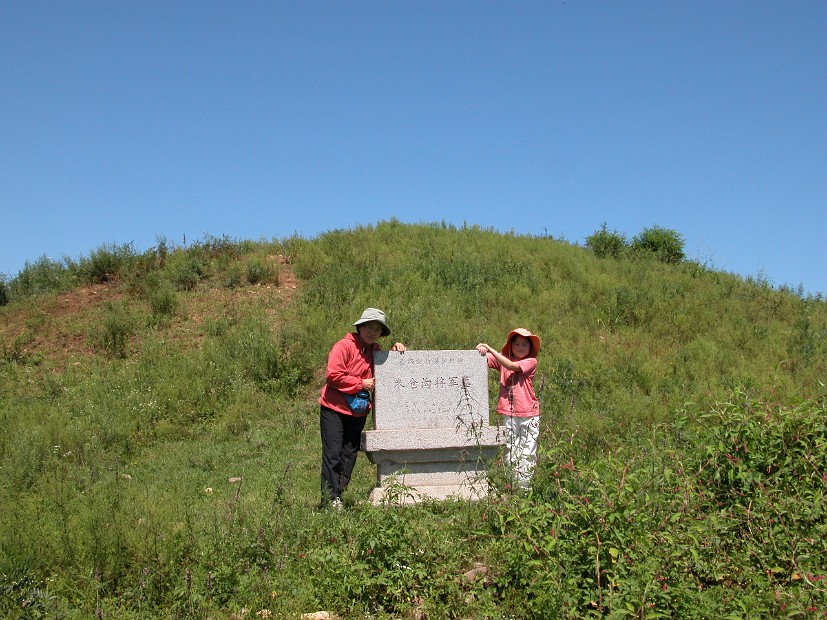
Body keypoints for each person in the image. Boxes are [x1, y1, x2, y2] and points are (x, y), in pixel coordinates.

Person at [318, 308, 406, 509]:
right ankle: (329, 499)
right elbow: (332, 375)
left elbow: (384, 369)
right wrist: (360, 383)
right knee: (333, 454)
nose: (372, 332)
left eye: (377, 329)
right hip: (334, 408)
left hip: (357, 411)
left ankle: (337, 495)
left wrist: (395, 351)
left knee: (349, 454)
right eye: (369, 327)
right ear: (360, 327)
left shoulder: (375, 350)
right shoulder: (344, 346)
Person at [476, 328, 541, 489]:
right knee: (511, 449)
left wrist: (489, 348)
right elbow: (481, 358)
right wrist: (480, 349)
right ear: (510, 345)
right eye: (516, 344)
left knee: (527, 451)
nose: (520, 347)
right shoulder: (503, 358)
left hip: (529, 414)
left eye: (524, 344)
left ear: (530, 347)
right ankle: (512, 487)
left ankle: (524, 489)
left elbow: (511, 366)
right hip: (509, 413)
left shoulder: (531, 361)